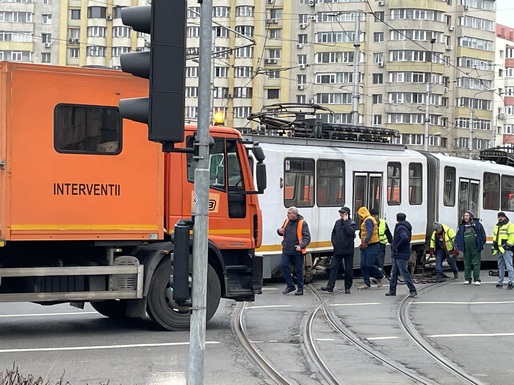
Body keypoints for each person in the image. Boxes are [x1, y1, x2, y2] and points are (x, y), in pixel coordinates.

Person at [321, 206, 356, 294]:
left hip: (348, 250)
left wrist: (345, 222)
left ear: (347, 214)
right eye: (341, 213)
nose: (341, 214)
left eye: (343, 213)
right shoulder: (337, 222)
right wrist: (334, 243)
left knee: (348, 270)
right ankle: (330, 286)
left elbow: (350, 232)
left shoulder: (351, 223)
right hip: (338, 250)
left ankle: (347, 287)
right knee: (334, 268)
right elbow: (333, 233)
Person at [278, 206, 311, 296]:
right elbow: (282, 231)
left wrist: (301, 246)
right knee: (284, 266)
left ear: (294, 214)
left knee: (299, 270)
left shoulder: (302, 223)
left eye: (289, 213)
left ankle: (300, 288)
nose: (287, 214)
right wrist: (279, 231)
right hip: (287, 249)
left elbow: (307, 238)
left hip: (297, 251)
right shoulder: (286, 221)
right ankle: (290, 285)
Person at [385, 213, 417, 298]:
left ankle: (412, 290)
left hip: (400, 254)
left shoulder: (401, 227)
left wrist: (396, 246)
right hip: (398, 253)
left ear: (397, 218)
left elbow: (404, 238)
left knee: (403, 272)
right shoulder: (405, 226)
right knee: (394, 272)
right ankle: (392, 290)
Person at [455, 210, 486, 285]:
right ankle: (468, 279)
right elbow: (458, 236)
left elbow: (483, 235)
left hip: (475, 247)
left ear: (470, 217)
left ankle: (477, 279)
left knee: (476, 263)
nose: (465, 217)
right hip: (466, 248)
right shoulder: (462, 226)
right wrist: (456, 245)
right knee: (466, 263)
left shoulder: (478, 225)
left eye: (467, 216)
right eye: (464, 216)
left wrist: (481, 243)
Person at [357, 206, 384, 290]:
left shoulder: (368, 220)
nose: (359, 216)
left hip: (372, 245)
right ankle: (366, 283)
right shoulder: (366, 220)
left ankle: (380, 276)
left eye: (359, 214)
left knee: (369, 264)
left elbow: (370, 232)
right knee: (363, 264)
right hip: (367, 245)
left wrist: (365, 242)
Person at [492, 211, 514, 290]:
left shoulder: (510, 225)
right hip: (500, 249)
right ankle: (500, 282)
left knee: (509, 266)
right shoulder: (497, 226)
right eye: (499, 217)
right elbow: (495, 237)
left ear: (505, 217)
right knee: (500, 266)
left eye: (502, 217)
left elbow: (512, 236)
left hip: (506, 249)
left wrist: (508, 245)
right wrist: (494, 247)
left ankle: (511, 283)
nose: (500, 218)